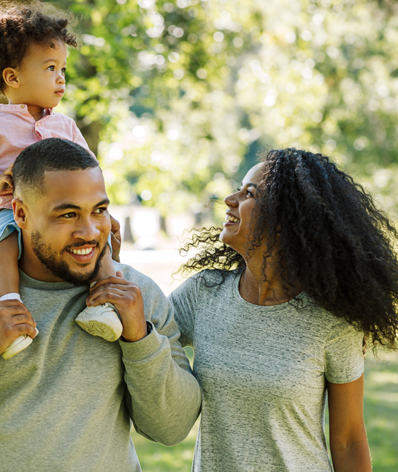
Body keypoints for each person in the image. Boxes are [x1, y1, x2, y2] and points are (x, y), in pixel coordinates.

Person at [0, 139, 201, 472]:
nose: (89, 231)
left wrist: (140, 339)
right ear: (21, 214)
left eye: (99, 210)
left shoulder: (134, 295)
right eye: (68, 214)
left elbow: (172, 428)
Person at [169, 148, 398, 471]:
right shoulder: (203, 294)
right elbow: (141, 330)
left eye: (249, 193)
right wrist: (111, 266)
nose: (230, 200)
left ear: (284, 218)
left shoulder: (333, 323)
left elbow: (349, 439)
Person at [0, 0, 122, 348]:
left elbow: (90, 168)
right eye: (50, 68)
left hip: (65, 212)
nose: (60, 78)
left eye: (62, 68)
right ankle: (8, 306)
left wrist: (98, 210)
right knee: (1, 245)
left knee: (96, 236)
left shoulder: (64, 125)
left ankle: (105, 300)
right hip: (6, 211)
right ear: (13, 77)